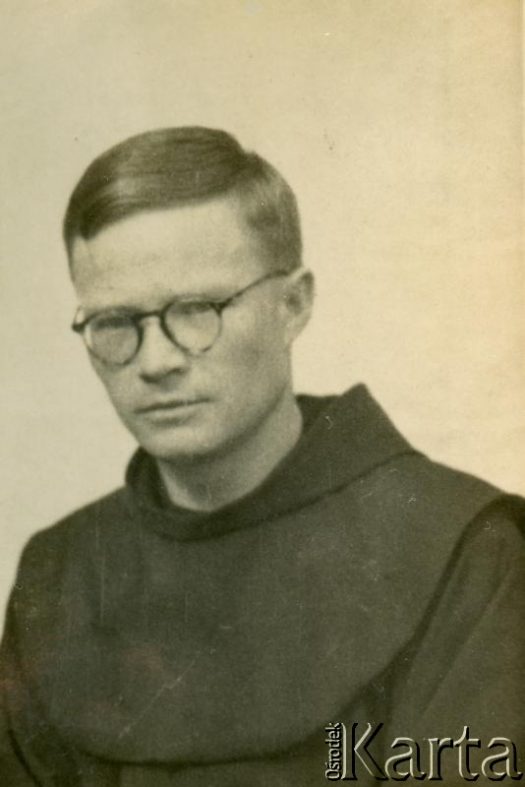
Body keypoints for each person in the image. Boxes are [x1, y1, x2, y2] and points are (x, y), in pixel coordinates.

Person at [0, 127, 523, 786]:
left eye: (196, 309)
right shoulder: (60, 573)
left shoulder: (462, 549)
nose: (156, 361)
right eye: (115, 323)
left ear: (293, 305)